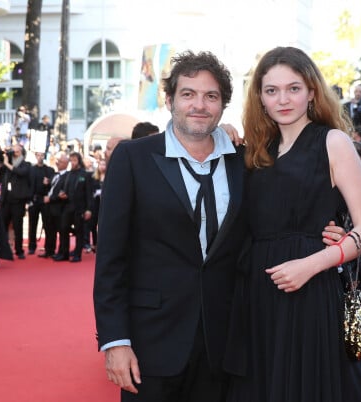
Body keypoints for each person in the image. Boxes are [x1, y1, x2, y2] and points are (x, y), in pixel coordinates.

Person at [225, 46, 361, 402]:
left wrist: (310, 265)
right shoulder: (254, 151)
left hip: (309, 290)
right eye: (272, 90)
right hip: (255, 293)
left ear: (312, 92)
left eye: (294, 88)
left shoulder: (333, 142)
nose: (283, 99)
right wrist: (222, 134)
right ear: (260, 97)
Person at [93, 50, 249, 402]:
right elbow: (111, 259)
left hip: (224, 346)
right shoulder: (133, 158)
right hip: (151, 343)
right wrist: (115, 341)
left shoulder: (244, 162)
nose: (199, 105)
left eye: (211, 96)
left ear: (223, 105)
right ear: (169, 100)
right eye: (188, 94)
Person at [55, 152, 92, 263]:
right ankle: (64, 253)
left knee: (79, 231)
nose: (72, 162)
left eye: (74, 160)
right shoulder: (69, 174)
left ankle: (77, 254)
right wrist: (62, 195)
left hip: (80, 207)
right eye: (71, 160)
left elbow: (89, 194)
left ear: (79, 161)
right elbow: (64, 189)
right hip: (67, 205)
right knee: (63, 228)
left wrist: (89, 209)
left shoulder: (85, 175)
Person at [0, 144, 33, 259]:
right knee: (3, 224)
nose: (14, 154)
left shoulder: (26, 165)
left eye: (17, 152)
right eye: (13, 152)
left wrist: (8, 164)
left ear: (22, 153)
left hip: (18, 200)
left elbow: (21, 172)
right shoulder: (7, 165)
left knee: (18, 226)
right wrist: (2, 163)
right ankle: (2, 249)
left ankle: (19, 250)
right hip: (6, 199)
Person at [40, 152, 69, 258]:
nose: (57, 163)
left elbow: (63, 193)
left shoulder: (67, 176)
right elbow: (51, 188)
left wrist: (51, 198)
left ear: (66, 163)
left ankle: (62, 252)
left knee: (61, 230)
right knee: (49, 229)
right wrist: (46, 184)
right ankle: (49, 250)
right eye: (57, 161)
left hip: (59, 206)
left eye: (60, 161)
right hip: (49, 206)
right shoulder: (54, 175)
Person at [27, 152, 54, 254]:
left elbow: (55, 182)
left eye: (42, 155)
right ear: (35, 156)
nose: (40, 157)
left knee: (47, 224)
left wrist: (49, 181)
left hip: (45, 200)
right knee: (32, 224)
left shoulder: (49, 170)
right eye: (38, 155)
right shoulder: (31, 170)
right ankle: (31, 246)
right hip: (34, 199)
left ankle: (48, 248)